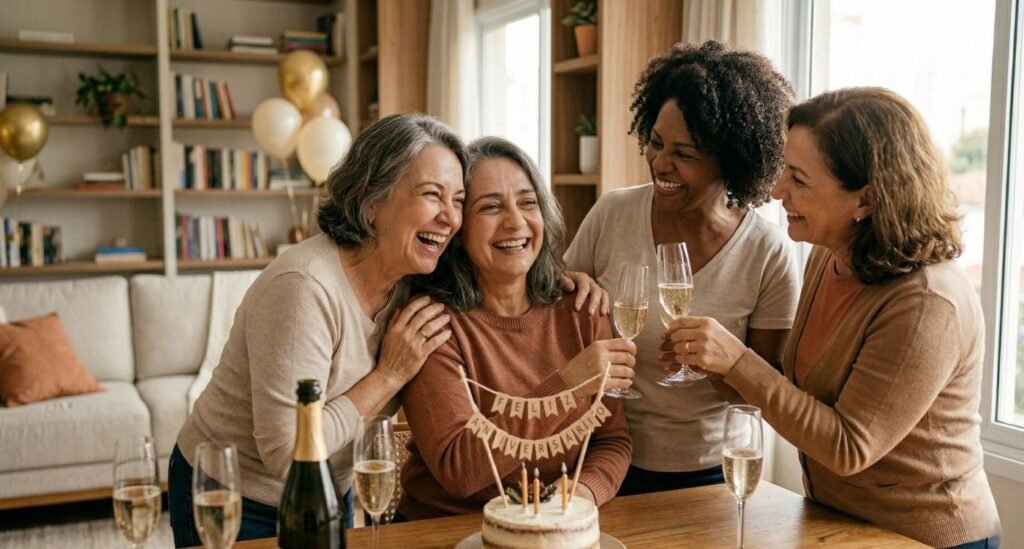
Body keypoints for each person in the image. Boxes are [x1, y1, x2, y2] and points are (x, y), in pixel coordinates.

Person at [671, 87, 1001, 548]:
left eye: (799, 180)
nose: (776, 190)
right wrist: (713, 364)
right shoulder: (827, 260)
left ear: (865, 200)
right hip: (843, 525)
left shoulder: (925, 302)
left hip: (924, 536)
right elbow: (795, 396)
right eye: (784, 170)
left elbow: (849, 447)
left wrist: (737, 361)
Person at [168, 113, 470, 546]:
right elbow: (290, 456)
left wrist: (571, 283)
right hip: (236, 495)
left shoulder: (413, 281)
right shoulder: (304, 287)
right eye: (431, 195)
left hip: (334, 490)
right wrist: (389, 375)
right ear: (371, 200)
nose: (450, 218)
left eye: (458, 200)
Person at [564, 40, 800, 495]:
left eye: (686, 154)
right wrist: (566, 284)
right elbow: (556, 321)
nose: (661, 164)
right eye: (655, 143)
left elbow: (766, 396)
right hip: (603, 458)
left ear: (731, 160)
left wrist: (719, 365)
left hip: (714, 472)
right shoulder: (613, 213)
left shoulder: (767, 252)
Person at [399, 137, 633, 519]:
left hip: (554, 527)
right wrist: (567, 385)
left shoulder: (583, 310)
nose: (515, 222)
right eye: (491, 206)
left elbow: (612, 439)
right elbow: (461, 469)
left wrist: (583, 492)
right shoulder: (433, 325)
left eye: (528, 202)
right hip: (446, 529)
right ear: (457, 228)